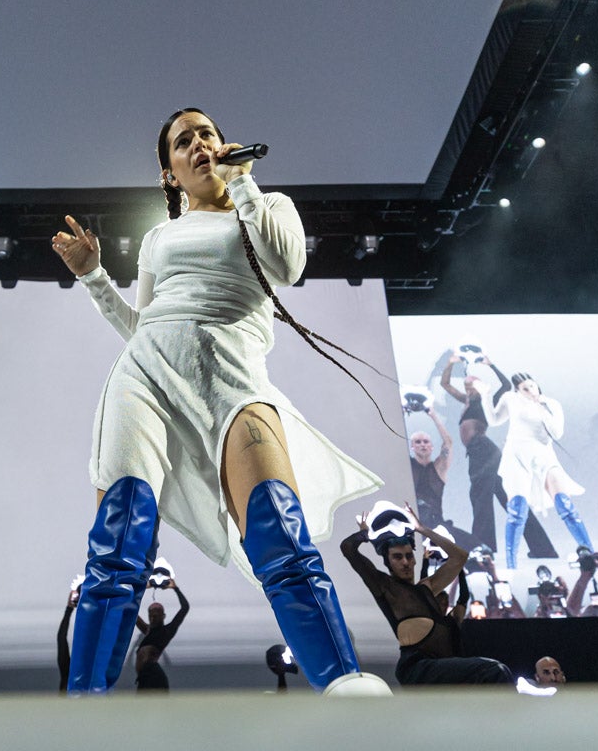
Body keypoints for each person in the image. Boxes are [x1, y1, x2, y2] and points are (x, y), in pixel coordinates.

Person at [50, 108, 387, 695]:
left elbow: (286, 267)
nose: (201, 144)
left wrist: (245, 182)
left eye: (206, 132)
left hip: (232, 377)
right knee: (121, 537)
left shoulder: (268, 204)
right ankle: (87, 704)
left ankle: (344, 684)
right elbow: (148, 324)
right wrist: (94, 277)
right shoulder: (158, 238)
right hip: (144, 376)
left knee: (277, 532)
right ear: (170, 173)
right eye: (185, 141)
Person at [340, 504, 511, 685]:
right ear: (387, 562)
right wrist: (365, 534)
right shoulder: (385, 586)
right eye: (398, 557)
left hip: (444, 670)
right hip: (418, 669)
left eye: (409, 556)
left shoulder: (427, 588)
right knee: (495, 671)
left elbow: (460, 557)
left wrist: (422, 529)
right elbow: (348, 548)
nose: (406, 562)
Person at [440, 353, 557, 556]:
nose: (468, 388)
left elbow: (505, 386)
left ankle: (483, 549)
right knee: (506, 500)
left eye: (472, 385)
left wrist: (491, 365)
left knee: (480, 498)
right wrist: (450, 364)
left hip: (483, 451)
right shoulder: (467, 400)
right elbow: (445, 384)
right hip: (481, 453)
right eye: (466, 385)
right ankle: (543, 548)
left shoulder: (487, 400)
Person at [475, 373, 592, 569]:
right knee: (517, 510)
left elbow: (557, 432)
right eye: (524, 388)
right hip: (516, 455)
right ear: (517, 391)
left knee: (565, 504)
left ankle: (590, 553)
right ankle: (511, 565)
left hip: (543, 455)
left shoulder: (551, 404)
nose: (530, 391)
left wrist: (541, 406)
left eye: (532, 386)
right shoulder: (510, 399)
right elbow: (495, 420)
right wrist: (485, 396)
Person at [408, 405, 476, 549]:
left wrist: (433, 416)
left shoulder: (438, 467)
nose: (422, 445)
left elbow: (448, 443)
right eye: (418, 442)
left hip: (435, 524)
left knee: (474, 545)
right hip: (412, 524)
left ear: (432, 447)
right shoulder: (407, 466)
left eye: (426, 441)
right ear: (412, 447)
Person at [133, 579, 189, 691]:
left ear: (163, 616)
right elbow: (132, 610)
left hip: (153, 678)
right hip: (144, 678)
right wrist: (143, 587)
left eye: (156, 615)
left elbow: (185, 608)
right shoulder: (148, 630)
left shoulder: (167, 631)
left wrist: (175, 588)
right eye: (151, 615)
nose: (153, 617)